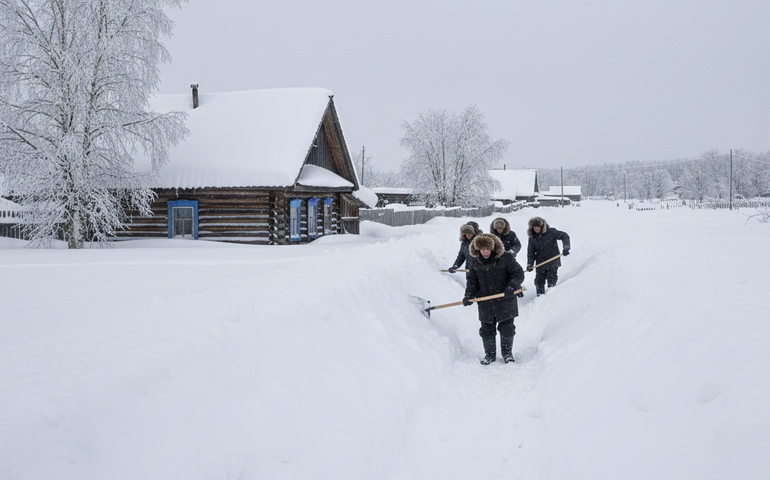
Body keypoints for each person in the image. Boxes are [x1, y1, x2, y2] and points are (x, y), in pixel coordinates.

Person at [463, 233, 525, 365]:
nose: (485, 252)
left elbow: (518, 273)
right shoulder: (474, 261)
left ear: (493, 248)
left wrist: (511, 287)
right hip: (485, 302)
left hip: (505, 300)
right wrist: (469, 295)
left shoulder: (506, 258)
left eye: (487, 249)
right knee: (486, 330)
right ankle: (490, 355)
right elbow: (472, 281)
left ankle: (507, 354)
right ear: (477, 249)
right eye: (482, 249)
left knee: (507, 328)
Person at [525, 216, 571, 296]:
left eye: (538, 227)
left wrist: (566, 247)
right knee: (539, 282)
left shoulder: (551, 232)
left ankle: (551, 298)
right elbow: (530, 253)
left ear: (542, 226)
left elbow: (564, 236)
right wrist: (530, 264)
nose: (536, 229)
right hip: (540, 263)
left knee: (551, 279)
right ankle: (539, 299)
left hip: (552, 260)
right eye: (534, 227)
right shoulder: (532, 238)